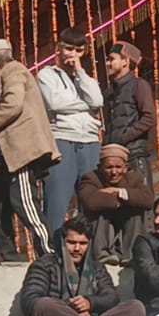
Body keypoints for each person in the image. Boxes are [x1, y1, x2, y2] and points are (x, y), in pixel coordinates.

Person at [18, 215, 148, 316]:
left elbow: (111, 297)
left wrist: (90, 303)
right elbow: (29, 301)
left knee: (136, 308)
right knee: (45, 305)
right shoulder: (44, 264)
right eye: (71, 242)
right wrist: (72, 311)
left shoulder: (97, 268)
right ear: (63, 242)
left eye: (83, 243)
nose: (77, 248)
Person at [0, 38, 59, 260]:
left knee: (25, 203)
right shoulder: (14, 72)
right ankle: (10, 255)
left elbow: (13, 104)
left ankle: (49, 252)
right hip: (11, 155)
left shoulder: (13, 71)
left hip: (22, 152)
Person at [37, 27, 104, 238]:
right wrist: (85, 105)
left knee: (91, 200)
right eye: (69, 49)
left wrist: (81, 73)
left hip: (91, 142)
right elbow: (56, 103)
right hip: (63, 139)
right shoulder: (47, 75)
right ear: (59, 49)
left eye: (78, 50)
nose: (73, 54)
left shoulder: (86, 79)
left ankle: (90, 248)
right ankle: (52, 250)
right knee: (57, 199)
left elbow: (97, 100)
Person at [76, 144, 153, 266]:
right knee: (101, 213)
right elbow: (90, 202)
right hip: (102, 228)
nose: (114, 172)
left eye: (118, 167)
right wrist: (122, 200)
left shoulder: (134, 178)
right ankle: (103, 253)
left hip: (124, 224)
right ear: (100, 167)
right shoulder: (90, 178)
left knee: (135, 214)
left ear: (125, 167)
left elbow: (148, 200)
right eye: (109, 167)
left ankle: (131, 254)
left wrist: (119, 192)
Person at [103, 42, 156, 189]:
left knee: (141, 199)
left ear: (126, 61)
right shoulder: (109, 93)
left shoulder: (139, 85)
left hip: (134, 155)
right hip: (113, 159)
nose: (108, 63)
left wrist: (124, 138)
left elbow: (149, 118)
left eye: (111, 59)